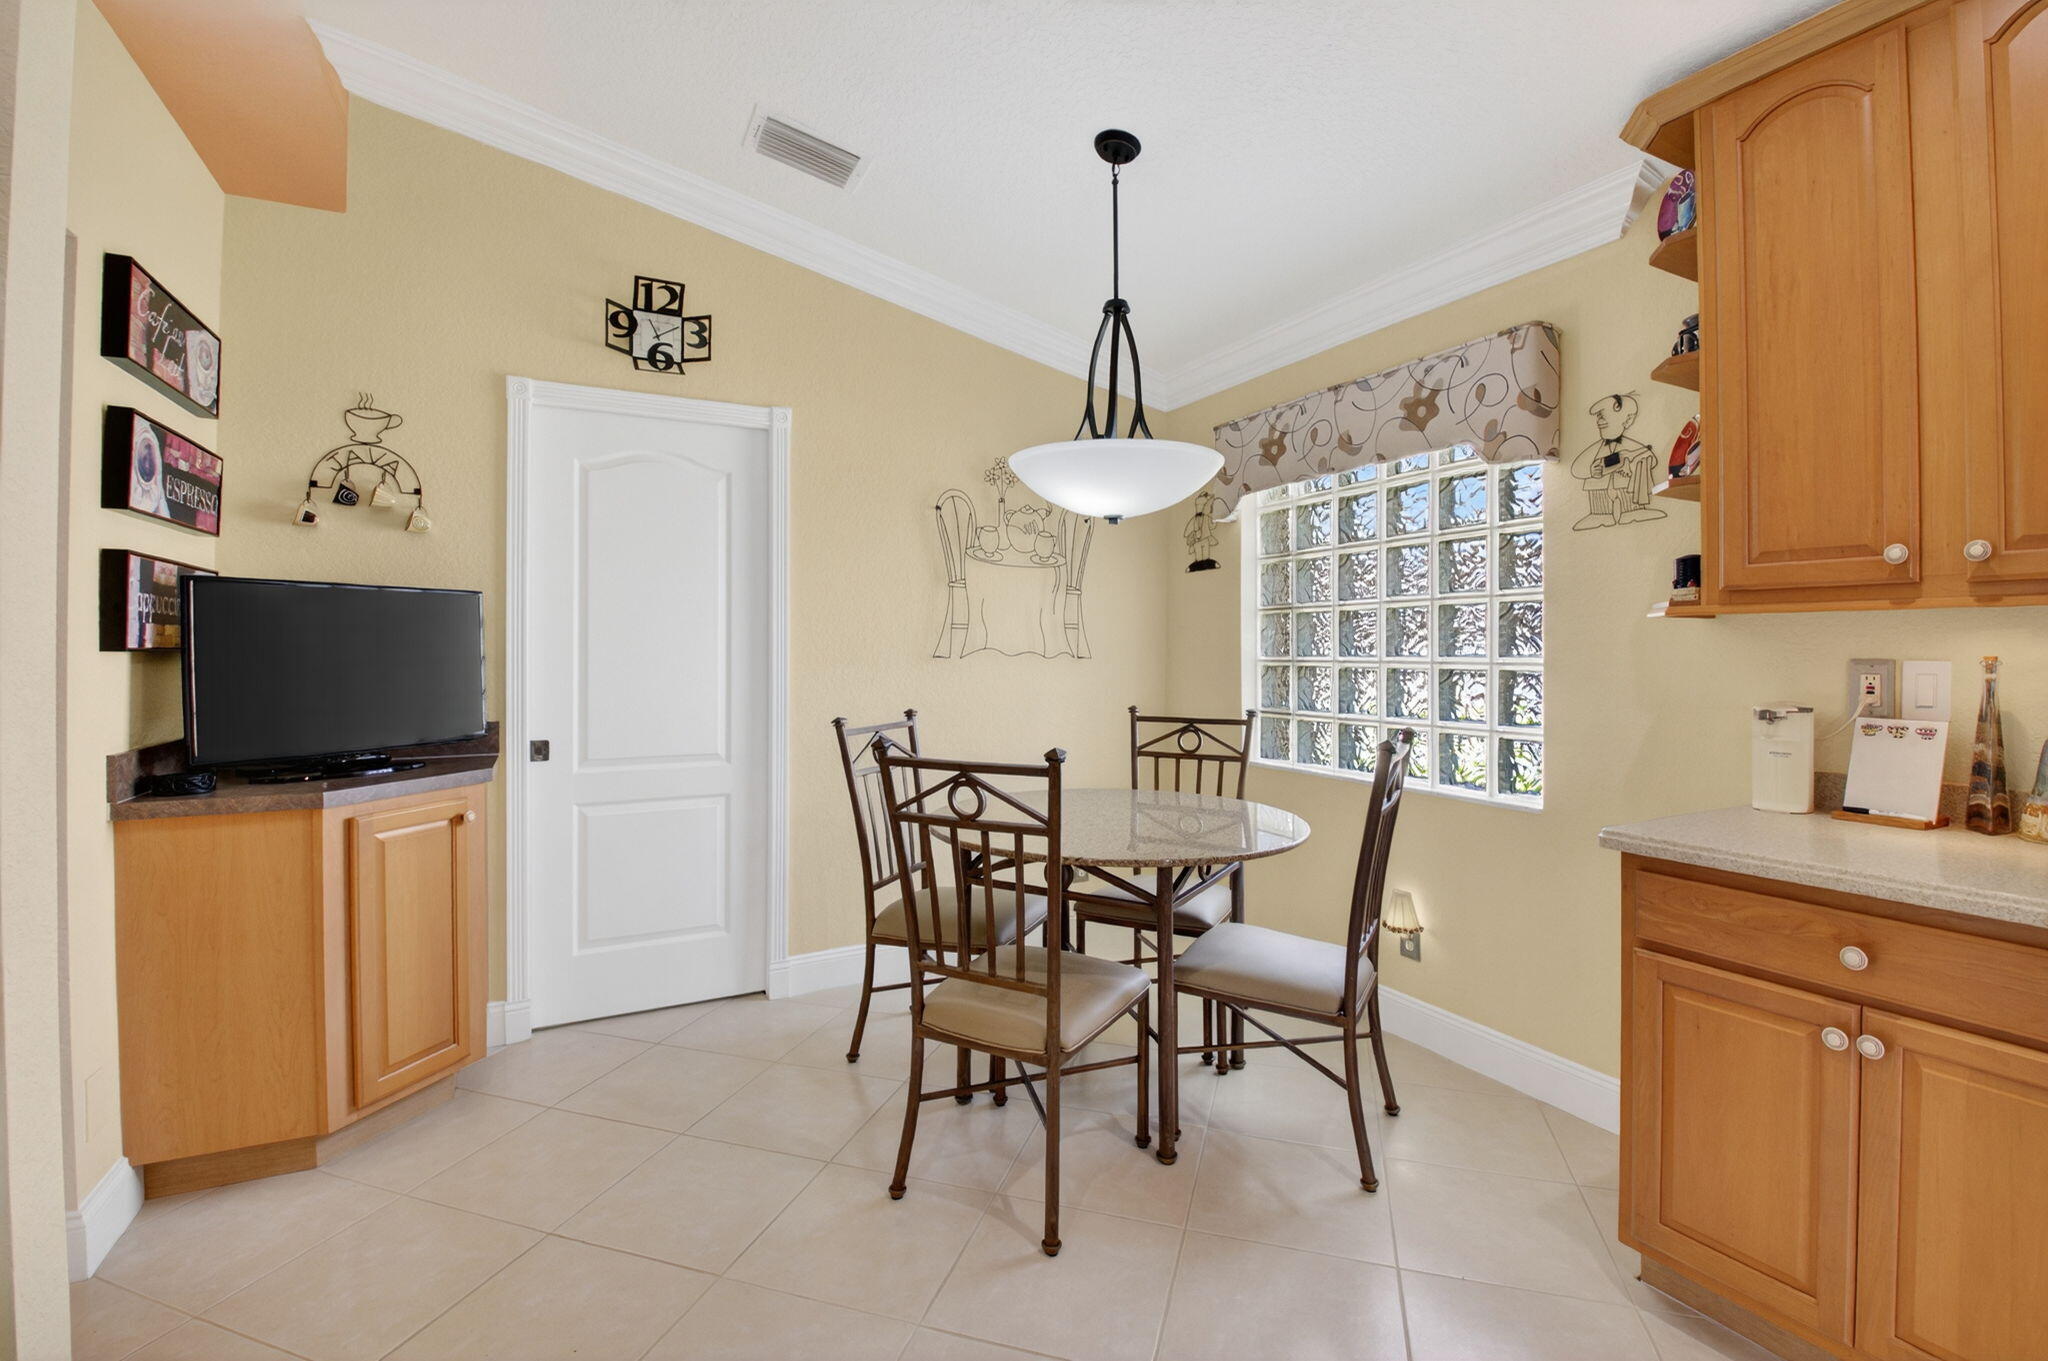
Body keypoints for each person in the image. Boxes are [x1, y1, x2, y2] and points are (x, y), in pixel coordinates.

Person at [1570, 393, 1665, 528]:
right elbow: (1576, 468)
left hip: (1624, 486)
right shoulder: (1595, 449)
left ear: (1627, 420)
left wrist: (1632, 465)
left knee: (1629, 503)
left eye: (1604, 415)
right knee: (1600, 503)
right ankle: (1601, 515)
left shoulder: (1631, 446)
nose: (1599, 421)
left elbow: (1652, 459)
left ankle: (1633, 511)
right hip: (1599, 488)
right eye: (1598, 416)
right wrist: (1591, 471)